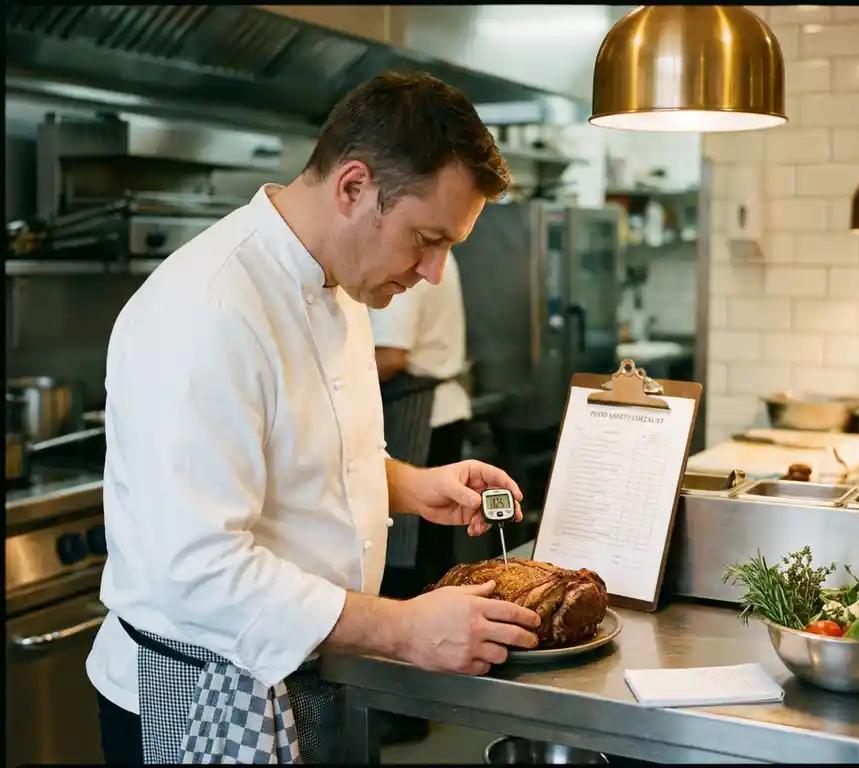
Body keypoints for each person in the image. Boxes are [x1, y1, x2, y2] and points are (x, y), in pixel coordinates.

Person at [85, 71, 541, 765]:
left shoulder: (340, 281)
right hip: (202, 694)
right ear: (354, 187)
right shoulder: (208, 309)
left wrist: (408, 484)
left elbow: (290, 449)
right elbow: (199, 568)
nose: (435, 274)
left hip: (309, 671)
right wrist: (403, 629)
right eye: (427, 239)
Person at [371, 253, 472, 599]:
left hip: (420, 418)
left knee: (411, 562)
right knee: (427, 552)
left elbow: (390, 355)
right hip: (434, 412)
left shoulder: (409, 257)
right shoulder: (425, 245)